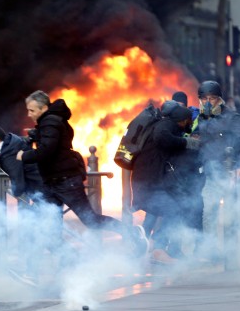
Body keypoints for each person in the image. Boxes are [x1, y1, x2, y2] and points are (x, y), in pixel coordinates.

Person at [16, 90, 149, 258]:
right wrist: (37, 134)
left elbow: (46, 151)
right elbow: (54, 143)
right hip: (52, 181)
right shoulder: (50, 122)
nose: (29, 114)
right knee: (51, 227)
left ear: (43, 108)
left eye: (32, 110)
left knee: (91, 221)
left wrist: (24, 156)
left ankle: (131, 233)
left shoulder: (50, 122)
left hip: (65, 181)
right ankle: (69, 262)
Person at [0, 124, 52, 284]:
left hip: (41, 194)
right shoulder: (11, 142)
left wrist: (17, 195)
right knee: (43, 233)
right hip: (41, 192)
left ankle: (36, 272)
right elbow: (25, 143)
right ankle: (37, 271)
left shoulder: (8, 154)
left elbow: (17, 181)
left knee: (35, 233)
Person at [131, 101, 199, 264]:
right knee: (173, 211)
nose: (188, 124)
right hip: (149, 184)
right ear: (181, 120)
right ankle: (158, 250)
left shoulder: (166, 125)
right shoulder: (165, 126)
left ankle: (153, 244)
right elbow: (163, 138)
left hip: (150, 183)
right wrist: (187, 142)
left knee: (174, 209)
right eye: (187, 121)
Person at [191, 81, 240, 258]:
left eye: (212, 98)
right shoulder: (200, 118)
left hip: (229, 172)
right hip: (210, 173)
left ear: (219, 99)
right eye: (204, 98)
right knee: (209, 211)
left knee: (237, 213)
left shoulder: (232, 118)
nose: (208, 102)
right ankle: (211, 251)